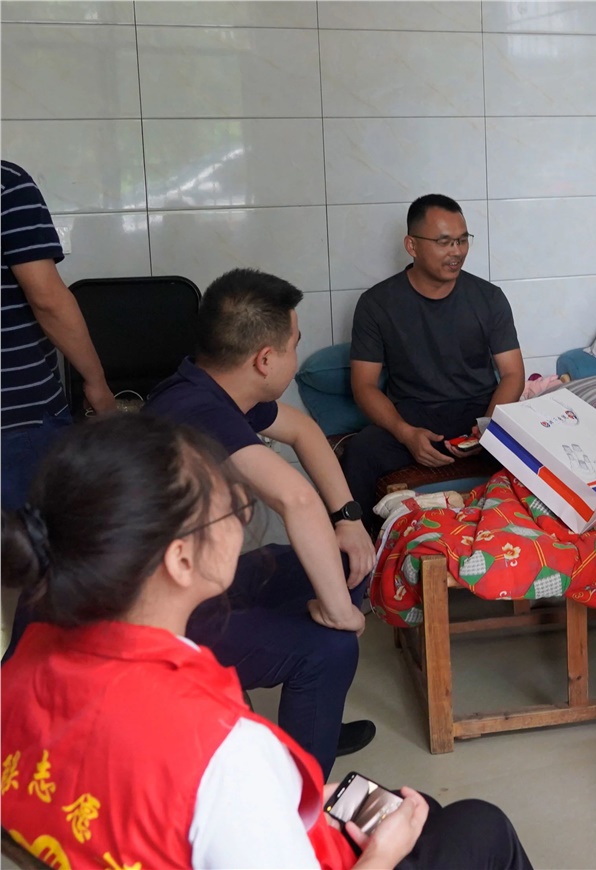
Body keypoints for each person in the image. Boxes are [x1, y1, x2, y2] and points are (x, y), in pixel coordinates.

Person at [0, 414, 533, 870]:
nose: (244, 514)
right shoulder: (223, 750)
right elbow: (213, 782)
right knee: (480, 826)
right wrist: (380, 856)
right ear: (180, 559)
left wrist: (276, 802)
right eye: (230, 509)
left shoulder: (25, 658)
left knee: (421, 814)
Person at [143, 267, 376, 777]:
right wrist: (344, 615)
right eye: (295, 344)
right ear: (265, 359)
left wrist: (349, 519)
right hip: (164, 622)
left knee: (344, 560)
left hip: (203, 582)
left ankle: (313, 717)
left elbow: (305, 430)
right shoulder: (195, 409)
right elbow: (295, 498)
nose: (296, 354)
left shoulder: (210, 388)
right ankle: (298, 798)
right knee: (332, 644)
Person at [341, 194, 523, 534]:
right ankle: (356, 556)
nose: (456, 251)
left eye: (462, 240)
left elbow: (513, 374)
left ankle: (529, 546)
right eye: (443, 242)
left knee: (535, 449)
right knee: (361, 452)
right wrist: (405, 433)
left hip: (480, 416)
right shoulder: (377, 304)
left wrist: (487, 429)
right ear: (411, 245)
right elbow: (363, 386)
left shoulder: (489, 298)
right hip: (413, 418)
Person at [1, 160, 115, 511]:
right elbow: (48, 300)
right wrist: (97, 383)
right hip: (17, 419)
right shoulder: (6, 184)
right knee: (36, 540)